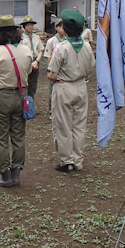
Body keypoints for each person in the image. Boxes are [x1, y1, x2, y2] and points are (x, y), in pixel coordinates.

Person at [0, 15, 33, 187]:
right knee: (18, 135)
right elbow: (28, 73)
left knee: (0, 136)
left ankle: (5, 175)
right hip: (20, 94)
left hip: (0, 96)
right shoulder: (26, 50)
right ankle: (17, 172)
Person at [47, 9, 96, 172]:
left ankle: (66, 161)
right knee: (79, 125)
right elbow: (90, 69)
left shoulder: (60, 47)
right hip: (81, 87)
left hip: (63, 87)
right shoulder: (87, 47)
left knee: (63, 125)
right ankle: (78, 160)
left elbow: (52, 75)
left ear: (65, 28)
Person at [44, 17, 66, 117]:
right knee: (53, 90)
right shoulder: (51, 41)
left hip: (65, 69)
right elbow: (48, 57)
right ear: (56, 27)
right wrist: (50, 70)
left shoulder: (67, 40)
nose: (62, 28)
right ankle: (52, 111)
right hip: (54, 68)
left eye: (63, 26)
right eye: (60, 26)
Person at [20, 16, 44, 99]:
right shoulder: (21, 37)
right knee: (25, 84)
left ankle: (31, 106)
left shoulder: (36, 37)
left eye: (31, 25)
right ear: (24, 26)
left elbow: (41, 50)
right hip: (25, 63)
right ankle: (25, 107)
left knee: (33, 86)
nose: (30, 27)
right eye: (28, 25)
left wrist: (37, 61)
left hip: (35, 61)